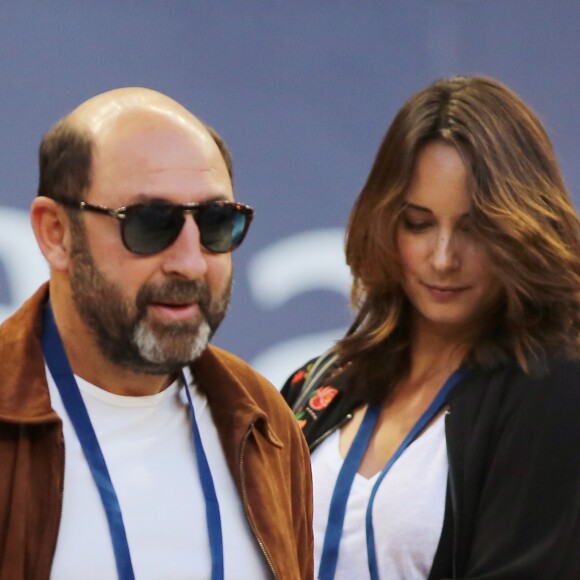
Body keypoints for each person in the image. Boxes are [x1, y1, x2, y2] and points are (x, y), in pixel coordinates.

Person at [0, 87, 313, 580]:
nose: (190, 262)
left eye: (216, 222)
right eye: (149, 224)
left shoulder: (261, 418)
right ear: (55, 232)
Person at [282, 75, 580, 579]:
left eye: (475, 227)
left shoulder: (552, 387)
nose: (443, 258)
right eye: (418, 223)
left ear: (522, 228)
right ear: (383, 221)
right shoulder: (325, 379)